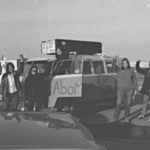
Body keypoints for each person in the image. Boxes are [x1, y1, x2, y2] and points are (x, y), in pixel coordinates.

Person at [113, 57, 138, 123]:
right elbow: (113, 67)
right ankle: (116, 118)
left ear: (128, 63)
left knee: (128, 104)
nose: (125, 64)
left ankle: (126, 117)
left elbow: (134, 80)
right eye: (123, 63)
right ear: (122, 64)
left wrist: (135, 89)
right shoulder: (119, 69)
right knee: (119, 104)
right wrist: (114, 59)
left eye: (126, 63)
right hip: (120, 89)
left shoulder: (131, 70)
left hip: (130, 90)